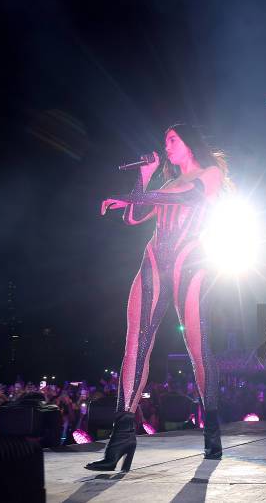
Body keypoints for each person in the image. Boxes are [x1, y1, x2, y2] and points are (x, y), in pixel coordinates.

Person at [85, 124, 229, 471]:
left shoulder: (209, 173)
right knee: (135, 343)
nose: (166, 146)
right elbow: (133, 217)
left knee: (198, 348)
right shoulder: (164, 183)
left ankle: (211, 429)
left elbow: (188, 198)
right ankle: (122, 437)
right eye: (165, 140)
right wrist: (145, 177)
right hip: (153, 261)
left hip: (190, 262)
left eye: (172, 139)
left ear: (190, 142)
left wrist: (139, 196)